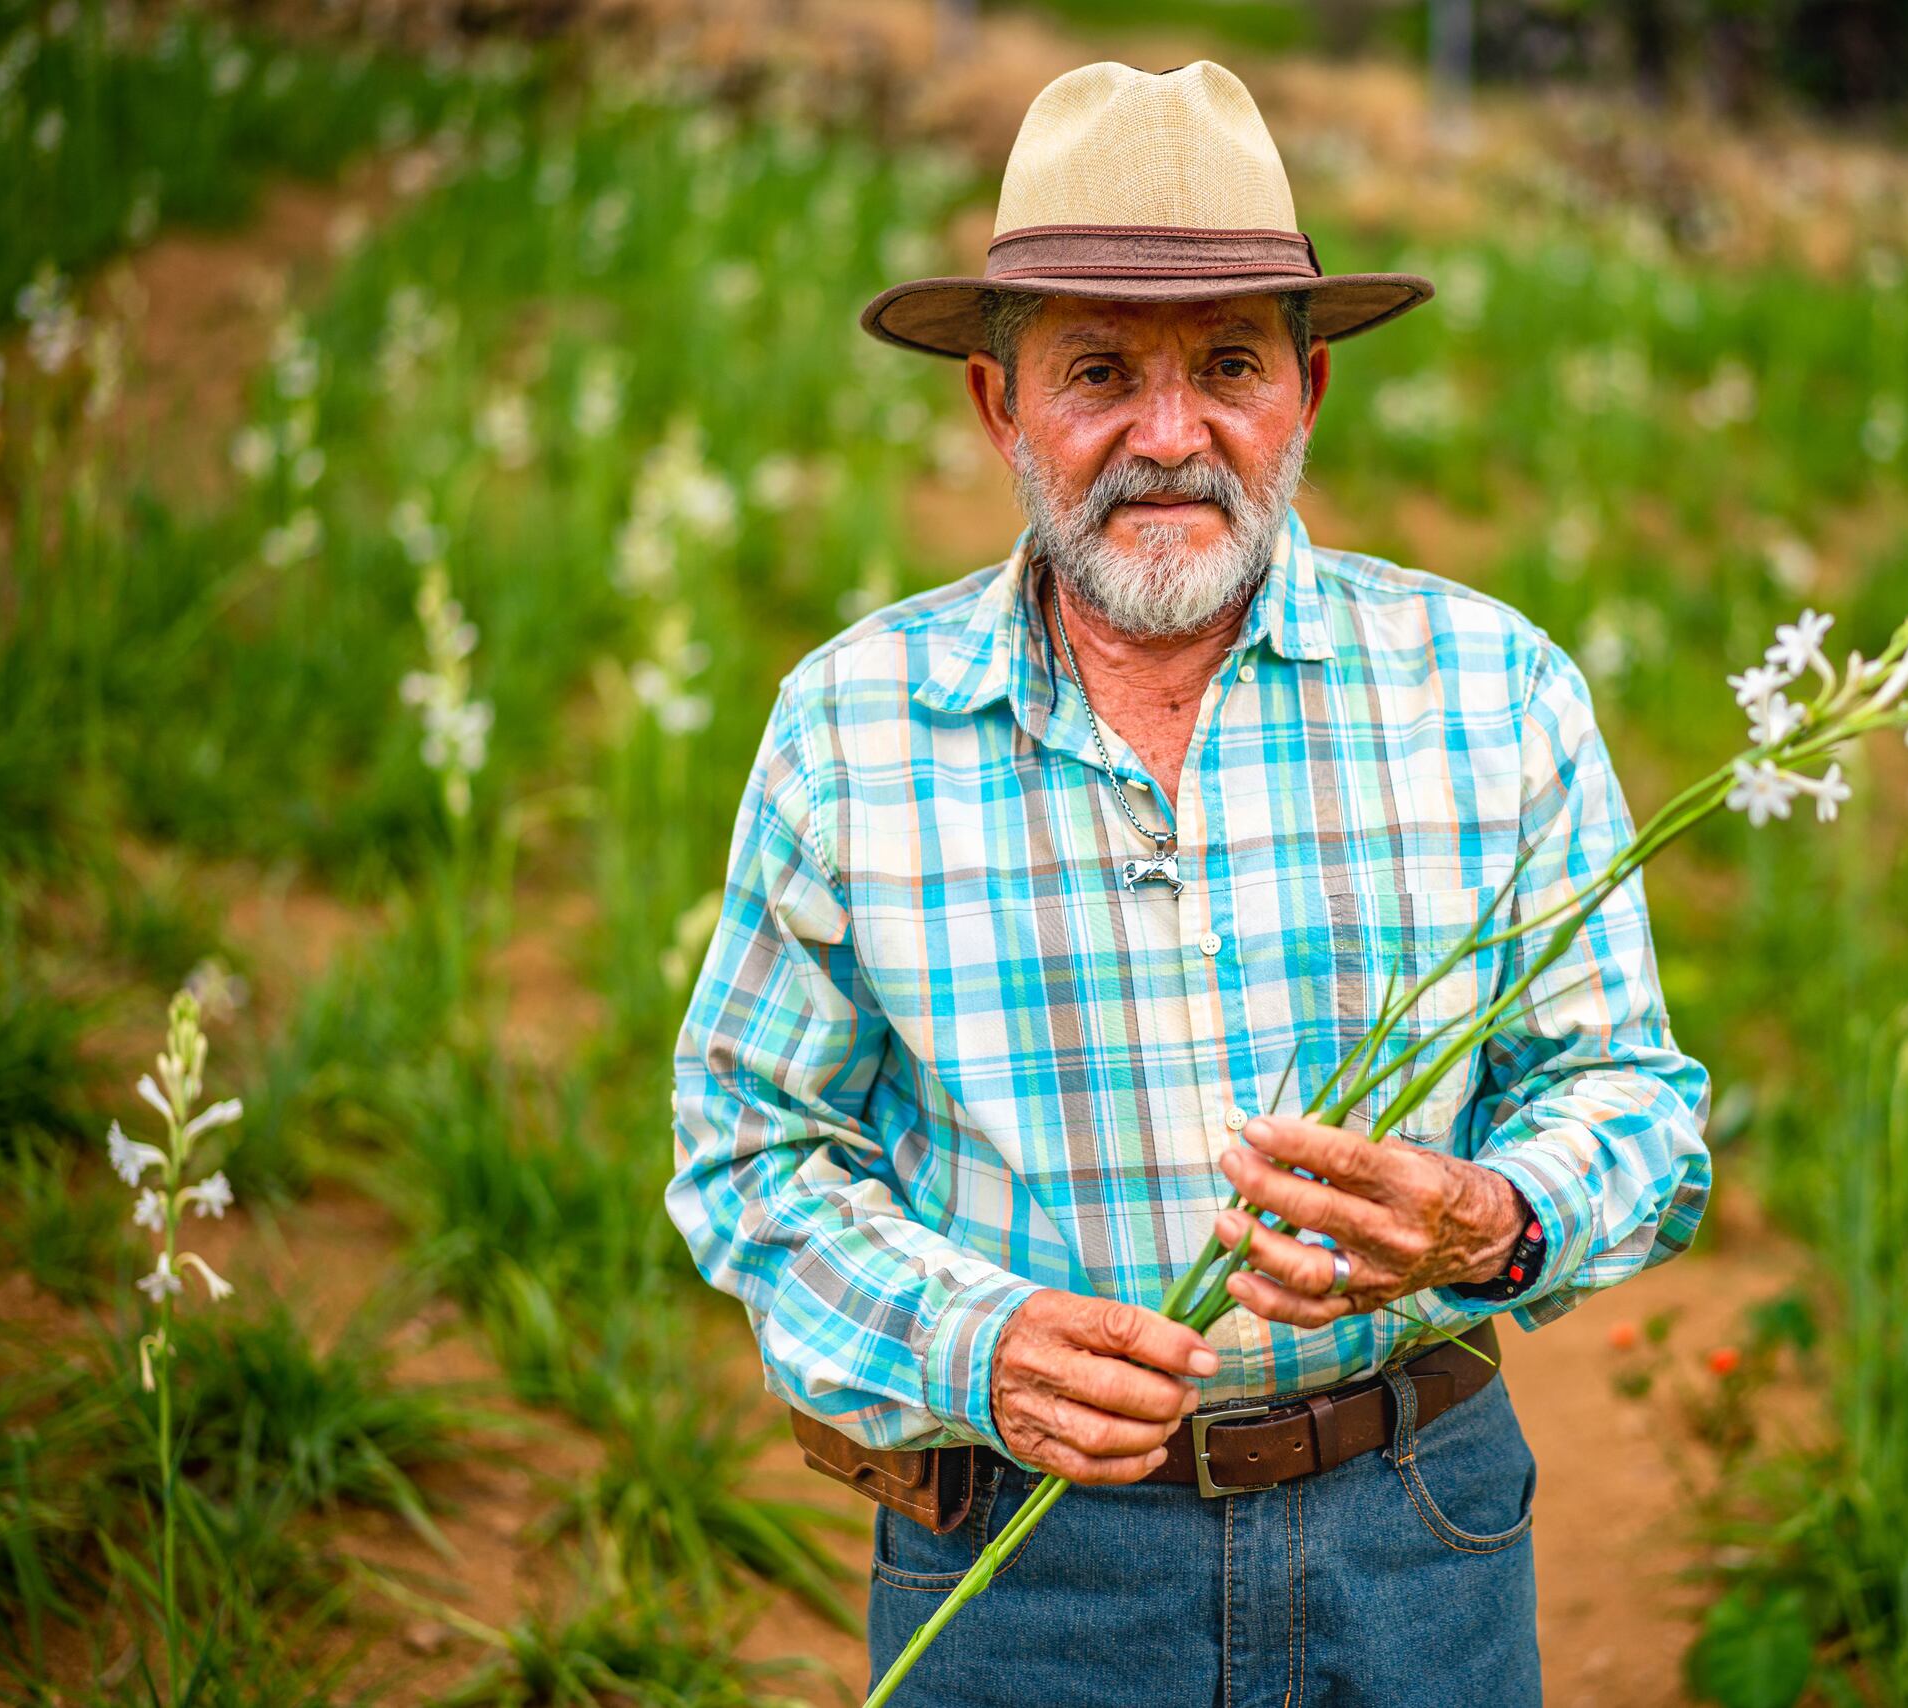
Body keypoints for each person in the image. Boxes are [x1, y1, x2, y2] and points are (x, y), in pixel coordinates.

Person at [667, 58, 1713, 1705]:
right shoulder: (849, 732)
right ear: (999, 407)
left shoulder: (1489, 690)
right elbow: (747, 1162)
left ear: (1306, 390)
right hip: (1024, 1571)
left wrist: (1488, 1220)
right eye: (1098, 370)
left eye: (1226, 363)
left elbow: (1633, 1104)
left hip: (1417, 1538)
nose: (1171, 436)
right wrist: (976, 1349)